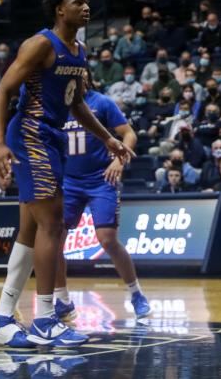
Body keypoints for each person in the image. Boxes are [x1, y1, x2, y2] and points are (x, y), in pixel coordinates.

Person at [0, 0, 132, 348]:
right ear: (59, 10)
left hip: (52, 137)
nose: (86, 6)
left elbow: (77, 103)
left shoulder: (79, 51)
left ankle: (1, 317)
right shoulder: (41, 44)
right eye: (78, 1)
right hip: (31, 133)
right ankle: (45, 318)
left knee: (30, 230)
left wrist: (107, 138)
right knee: (53, 223)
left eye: (87, 0)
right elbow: (3, 91)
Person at [55, 87, 150, 320]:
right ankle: (63, 299)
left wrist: (120, 158)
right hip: (69, 181)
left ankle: (136, 293)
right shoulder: (56, 102)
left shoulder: (102, 102)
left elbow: (129, 133)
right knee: (54, 238)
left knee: (107, 239)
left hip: (101, 179)